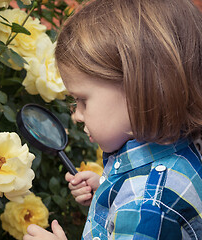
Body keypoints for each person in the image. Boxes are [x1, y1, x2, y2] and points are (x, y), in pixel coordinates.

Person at [23, 0, 202, 239]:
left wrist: (130, 202)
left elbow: (145, 210)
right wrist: (110, 193)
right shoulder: (180, 153)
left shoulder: (146, 206)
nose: (76, 114)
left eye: (83, 100)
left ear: (142, 91)